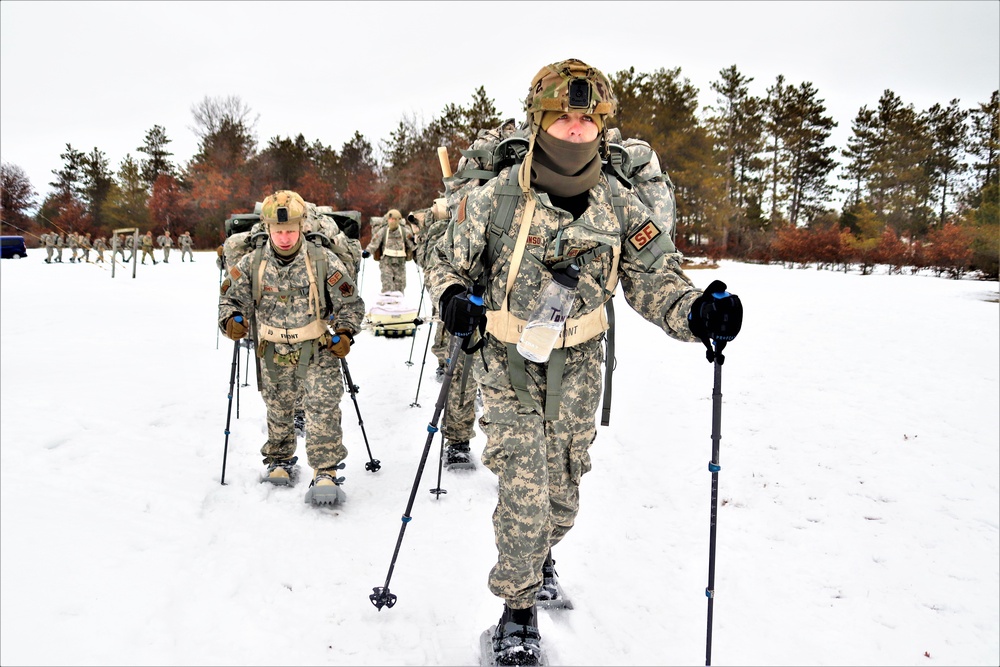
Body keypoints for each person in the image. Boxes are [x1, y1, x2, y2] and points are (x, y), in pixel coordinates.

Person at [430, 58, 744, 665]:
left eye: (588, 117)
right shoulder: (495, 196)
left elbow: (656, 283)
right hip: (509, 359)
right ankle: (516, 613)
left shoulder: (621, 204)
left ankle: (545, 554)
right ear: (541, 119)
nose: (576, 127)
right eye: (564, 116)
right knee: (524, 488)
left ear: (601, 124)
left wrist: (697, 314)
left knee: (564, 489)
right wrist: (451, 299)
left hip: (580, 365)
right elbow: (445, 260)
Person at [218, 190, 365, 506]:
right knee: (278, 407)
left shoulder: (323, 260)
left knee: (323, 409)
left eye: (290, 230)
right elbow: (229, 298)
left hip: (318, 349)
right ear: (268, 229)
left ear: (301, 227)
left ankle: (325, 471)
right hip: (272, 350)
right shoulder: (252, 262)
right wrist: (230, 319)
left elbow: (351, 303)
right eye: (278, 231)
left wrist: (345, 332)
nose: (284, 238)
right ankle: (280, 459)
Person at [414, 197, 479, 469]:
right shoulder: (442, 228)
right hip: (458, 304)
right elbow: (428, 262)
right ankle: (457, 441)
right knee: (461, 375)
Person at [365, 208, 414, 294]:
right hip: (386, 262)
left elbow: (412, 244)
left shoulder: (404, 231)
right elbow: (374, 242)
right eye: (390, 219)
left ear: (398, 220)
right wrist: (368, 251)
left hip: (400, 263)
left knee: (400, 286)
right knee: (387, 285)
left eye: (394, 219)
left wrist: (417, 248)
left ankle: (398, 305)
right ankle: (387, 304)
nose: (391, 221)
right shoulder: (383, 230)